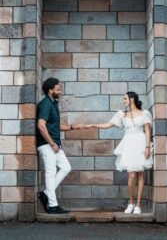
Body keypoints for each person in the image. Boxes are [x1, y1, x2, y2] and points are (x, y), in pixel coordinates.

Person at [83, 91, 153, 214]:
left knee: (140, 174)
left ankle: (138, 205)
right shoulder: (122, 114)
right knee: (132, 175)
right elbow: (108, 124)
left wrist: (147, 147)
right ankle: (131, 202)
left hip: (141, 143)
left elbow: (147, 130)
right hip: (129, 144)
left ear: (132, 99)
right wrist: (93, 125)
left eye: (125, 98)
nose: (123, 101)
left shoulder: (144, 113)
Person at [36, 77, 79, 214]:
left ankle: (46, 194)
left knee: (66, 167)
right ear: (50, 90)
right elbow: (41, 125)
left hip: (54, 144)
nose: (60, 92)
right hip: (48, 144)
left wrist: (71, 127)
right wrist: (52, 143)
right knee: (50, 172)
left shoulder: (52, 104)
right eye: (58, 89)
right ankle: (53, 206)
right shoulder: (45, 104)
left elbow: (55, 125)